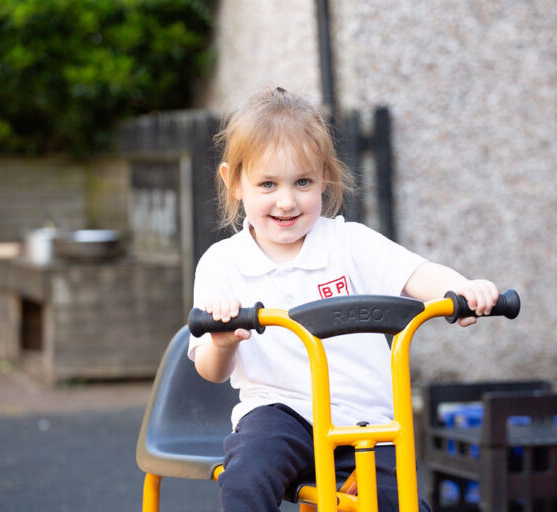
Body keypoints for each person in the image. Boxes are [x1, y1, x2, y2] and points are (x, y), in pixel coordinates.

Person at [189, 87, 498, 512]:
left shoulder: (349, 243)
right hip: (280, 415)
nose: (286, 201)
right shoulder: (223, 263)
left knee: (401, 504)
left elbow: (418, 274)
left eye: (302, 182)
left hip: (367, 424)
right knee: (246, 474)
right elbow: (210, 371)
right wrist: (223, 342)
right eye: (267, 184)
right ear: (234, 182)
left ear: (324, 178)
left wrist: (461, 288)